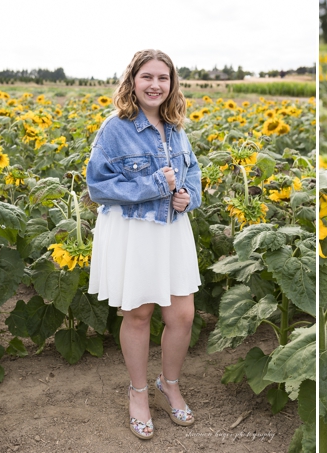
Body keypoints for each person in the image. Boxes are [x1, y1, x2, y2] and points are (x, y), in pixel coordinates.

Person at [85, 49, 203, 440]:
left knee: (182, 316)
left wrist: (188, 196)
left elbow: (193, 172)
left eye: (162, 78)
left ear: (172, 84)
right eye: (147, 77)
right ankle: (137, 393)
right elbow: (97, 186)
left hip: (172, 229)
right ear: (132, 81)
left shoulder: (176, 126)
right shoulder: (114, 128)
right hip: (134, 230)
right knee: (138, 314)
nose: (155, 85)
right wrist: (154, 185)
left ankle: (168, 384)